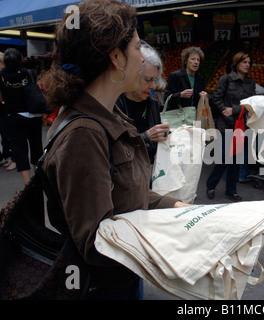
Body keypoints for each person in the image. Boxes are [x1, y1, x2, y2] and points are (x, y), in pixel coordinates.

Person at [42, 0, 190, 300]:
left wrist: (175, 207)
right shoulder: (85, 133)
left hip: (123, 280)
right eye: (137, 47)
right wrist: (174, 239)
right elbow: (99, 240)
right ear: (116, 57)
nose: (142, 56)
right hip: (105, 289)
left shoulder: (108, 114)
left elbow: (123, 194)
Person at [206, 51, 256, 201]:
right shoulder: (225, 79)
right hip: (225, 125)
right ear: (236, 63)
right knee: (223, 158)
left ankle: (231, 190)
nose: (247, 65)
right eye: (244, 62)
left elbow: (251, 104)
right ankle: (211, 185)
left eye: (249, 62)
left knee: (236, 160)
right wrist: (224, 110)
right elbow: (216, 98)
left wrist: (233, 110)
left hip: (241, 126)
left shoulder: (250, 83)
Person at [116, 41, 169, 164]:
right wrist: (146, 137)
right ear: (133, 75)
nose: (153, 85)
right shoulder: (116, 106)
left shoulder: (153, 103)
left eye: (155, 80)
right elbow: (116, 148)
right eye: (149, 79)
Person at [0, 48, 42, 183]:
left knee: (20, 150)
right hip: (34, 116)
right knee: (36, 147)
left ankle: (27, 184)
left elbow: (0, 99)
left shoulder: (1, 76)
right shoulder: (29, 73)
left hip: (14, 116)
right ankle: (39, 178)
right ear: (21, 60)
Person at [163, 46, 206, 111]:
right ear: (186, 61)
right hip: (179, 117)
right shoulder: (175, 76)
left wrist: (204, 96)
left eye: (198, 60)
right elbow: (166, 98)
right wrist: (180, 95)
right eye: (193, 59)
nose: (196, 62)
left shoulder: (200, 79)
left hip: (195, 116)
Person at [0, 51, 14, 169]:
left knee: (8, 135)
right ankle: (7, 156)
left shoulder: (5, 75)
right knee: (6, 135)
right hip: (5, 109)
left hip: (6, 109)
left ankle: (12, 158)